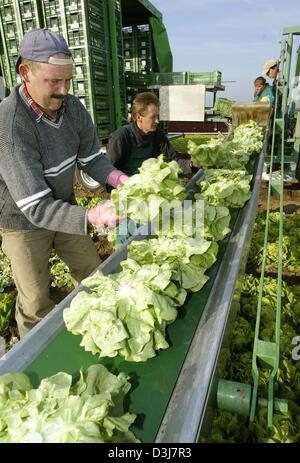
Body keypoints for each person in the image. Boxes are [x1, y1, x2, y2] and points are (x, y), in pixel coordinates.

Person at [0, 28, 129, 337]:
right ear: (25, 73)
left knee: (92, 272)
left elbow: (90, 158)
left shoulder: (73, 108)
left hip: (63, 207)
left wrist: (116, 177)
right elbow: (36, 207)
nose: (63, 90)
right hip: (22, 221)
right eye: (53, 81)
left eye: (68, 80)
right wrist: (93, 216)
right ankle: (34, 354)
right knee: (35, 298)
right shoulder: (10, 125)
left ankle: (99, 328)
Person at [106, 92, 193, 176]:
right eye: (153, 117)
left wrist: (192, 164)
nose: (157, 121)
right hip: (125, 188)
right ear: (139, 117)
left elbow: (173, 160)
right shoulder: (120, 137)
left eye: (157, 116)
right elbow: (108, 171)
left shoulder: (158, 135)